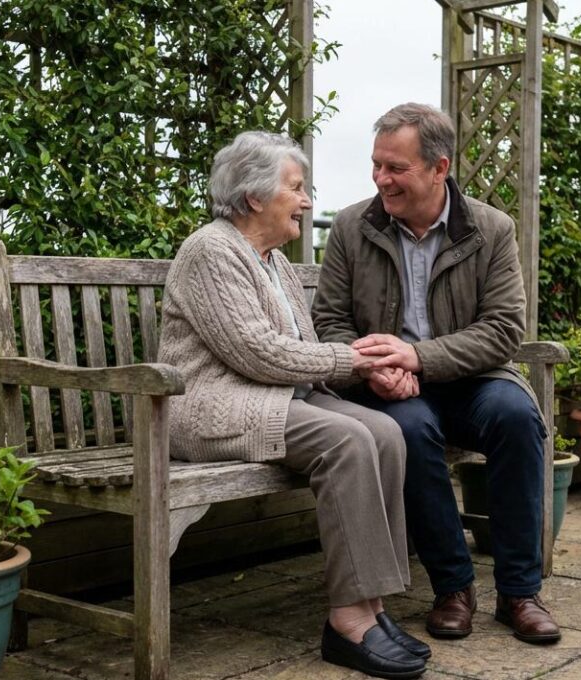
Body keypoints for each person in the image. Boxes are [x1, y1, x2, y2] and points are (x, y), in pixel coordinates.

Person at [158, 131, 430, 679]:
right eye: (296, 188)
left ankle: (374, 605)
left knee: (385, 432)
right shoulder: (210, 249)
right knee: (347, 440)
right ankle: (348, 622)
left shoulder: (273, 262)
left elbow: (297, 353)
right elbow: (256, 353)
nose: (307, 201)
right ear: (256, 197)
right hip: (208, 409)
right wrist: (354, 361)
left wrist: (374, 370)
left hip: (269, 399)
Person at [312, 103, 561, 645]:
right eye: (376, 165)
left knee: (519, 418)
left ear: (438, 168)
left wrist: (420, 357)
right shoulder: (353, 227)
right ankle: (453, 587)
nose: (381, 178)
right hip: (389, 387)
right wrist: (374, 367)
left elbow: (502, 330)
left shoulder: (491, 229)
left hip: (473, 380)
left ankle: (519, 592)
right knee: (410, 429)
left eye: (395, 168)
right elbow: (329, 321)